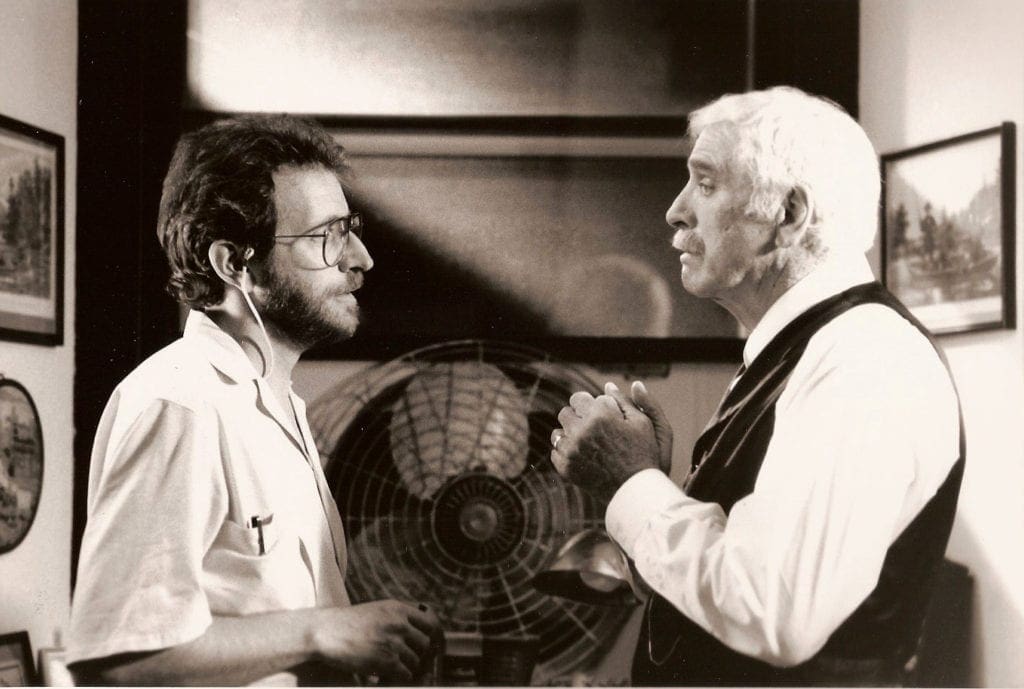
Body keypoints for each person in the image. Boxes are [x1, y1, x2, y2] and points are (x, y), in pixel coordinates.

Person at [549, 86, 964, 686]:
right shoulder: (798, 351)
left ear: (789, 216)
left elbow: (774, 612)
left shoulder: (865, 356)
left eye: (707, 183)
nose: (676, 210)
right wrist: (658, 485)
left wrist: (632, 483)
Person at [67, 115, 441, 686]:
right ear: (234, 264)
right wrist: (323, 632)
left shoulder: (275, 401)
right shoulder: (182, 404)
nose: (361, 258)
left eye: (352, 228)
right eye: (328, 236)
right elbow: (118, 659)